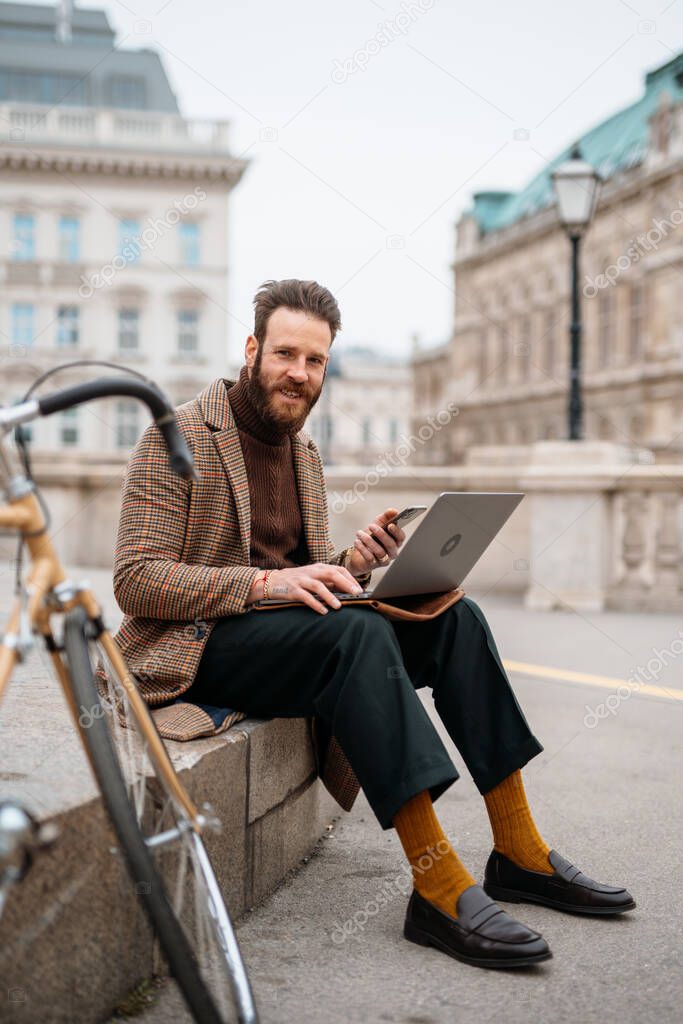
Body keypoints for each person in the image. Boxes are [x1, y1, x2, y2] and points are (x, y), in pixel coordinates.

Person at [112, 278, 635, 971]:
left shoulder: (301, 451)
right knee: (355, 635)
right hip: (197, 647)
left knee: (454, 615)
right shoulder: (174, 436)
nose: (299, 374)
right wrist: (266, 582)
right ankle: (436, 882)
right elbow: (136, 579)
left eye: (316, 361)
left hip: (282, 637)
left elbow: (306, 576)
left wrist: (351, 564)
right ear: (251, 349)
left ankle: (518, 849)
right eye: (286, 354)